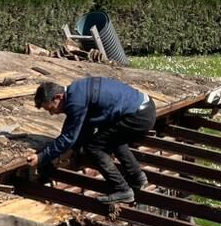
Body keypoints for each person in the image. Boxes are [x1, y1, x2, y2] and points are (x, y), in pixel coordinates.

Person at [30, 76, 156, 205]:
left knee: (94, 147)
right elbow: (82, 128)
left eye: (51, 109)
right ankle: (137, 177)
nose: (52, 114)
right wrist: (72, 147)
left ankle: (122, 190)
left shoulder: (76, 102)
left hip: (138, 117)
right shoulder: (77, 91)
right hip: (146, 108)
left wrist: (41, 157)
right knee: (111, 138)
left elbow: (69, 137)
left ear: (58, 97)